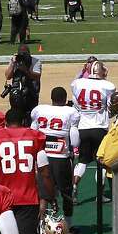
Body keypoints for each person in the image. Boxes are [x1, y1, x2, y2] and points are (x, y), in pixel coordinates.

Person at [31, 86, 80, 221]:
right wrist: (74, 149)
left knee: (43, 192)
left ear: (51, 99)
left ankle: (42, 226)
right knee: (66, 192)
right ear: (65, 99)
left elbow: (33, 132)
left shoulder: (40, 110)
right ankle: (67, 225)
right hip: (60, 156)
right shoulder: (70, 112)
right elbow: (74, 137)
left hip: (42, 155)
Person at [70, 59, 116, 190]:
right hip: (99, 128)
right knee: (100, 161)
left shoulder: (78, 83)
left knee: (83, 161)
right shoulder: (108, 86)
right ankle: (100, 195)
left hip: (83, 128)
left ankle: (74, 185)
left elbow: (77, 102)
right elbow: (110, 108)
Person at [4, 43, 42, 113]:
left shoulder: (35, 61)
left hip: (31, 94)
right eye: (21, 53)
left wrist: (25, 70)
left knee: (30, 114)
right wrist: (13, 64)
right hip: (16, 94)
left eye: (25, 53)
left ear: (29, 53)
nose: (23, 55)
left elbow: (37, 76)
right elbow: (8, 76)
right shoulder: (15, 60)